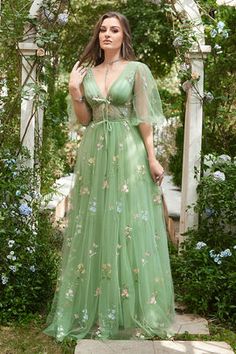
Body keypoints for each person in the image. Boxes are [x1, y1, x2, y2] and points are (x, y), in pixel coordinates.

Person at [44, 11, 175, 341]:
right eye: (102, 29)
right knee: (98, 223)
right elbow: (85, 118)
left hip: (128, 151)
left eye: (114, 30)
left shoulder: (136, 71)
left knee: (130, 224)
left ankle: (136, 311)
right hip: (94, 152)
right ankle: (98, 311)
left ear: (123, 36)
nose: (107, 34)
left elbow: (143, 118)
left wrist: (152, 157)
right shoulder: (87, 71)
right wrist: (75, 90)